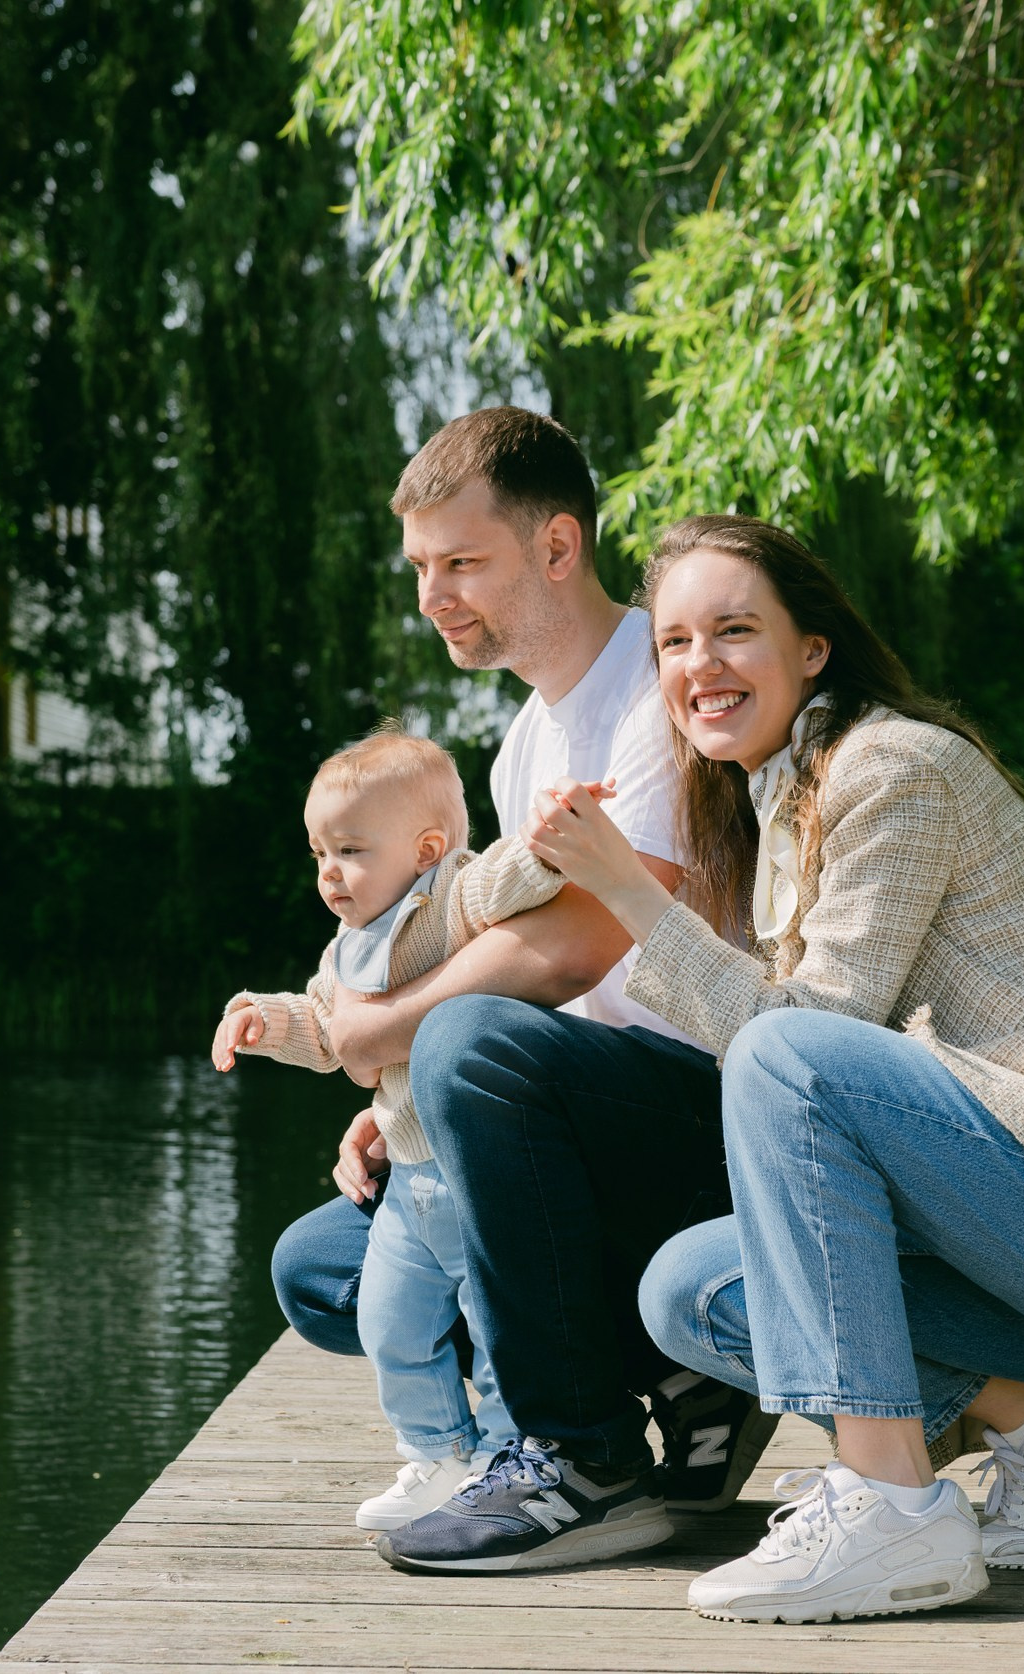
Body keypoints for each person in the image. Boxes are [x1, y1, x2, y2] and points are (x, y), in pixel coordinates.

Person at [520, 515, 1024, 1622]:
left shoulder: (891, 768)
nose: (700, 666)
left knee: (787, 1055)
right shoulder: (783, 801)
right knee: (692, 1291)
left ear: (811, 649)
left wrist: (633, 893)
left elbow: (803, 1034)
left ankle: (887, 1508)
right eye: (674, 643)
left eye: (733, 631)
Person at [262, 408, 772, 1572]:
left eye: (461, 563)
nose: (433, 595)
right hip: (577, 1114)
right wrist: (400, 1093)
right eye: (420, 569)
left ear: (555, 548)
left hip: (706, 1106)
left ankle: (583, 1455)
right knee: (323, 1267)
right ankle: (688, 1379)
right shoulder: (518, 747)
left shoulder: (661, 697)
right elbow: (500, 942)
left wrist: (391, 1031)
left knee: (467, 1049)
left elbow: (578, 944)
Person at [215, 729, 562, 1529]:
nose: (329, 873)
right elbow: (333, 1034)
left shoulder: (454, 895)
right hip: (411, 1180)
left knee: (499, 1325)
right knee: (389, 1320)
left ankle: (508, 1453)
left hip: (478, 1174)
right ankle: (434, 1451)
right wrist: (268, 1022)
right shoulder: (346, 949)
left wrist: (548, 839)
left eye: (349, 850)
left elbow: (508, 881)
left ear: (428, 848)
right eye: (317, 854)